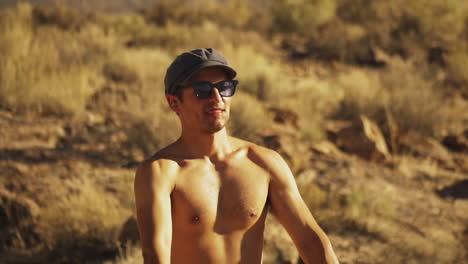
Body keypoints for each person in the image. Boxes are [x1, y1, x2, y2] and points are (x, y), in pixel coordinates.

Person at [134, 48, 339, 264]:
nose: (216, 98)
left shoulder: (264, 163)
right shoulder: (160, 172)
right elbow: (155, 255)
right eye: (202, 90)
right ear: (174, 102)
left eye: (224, 88)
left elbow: (311, 242)